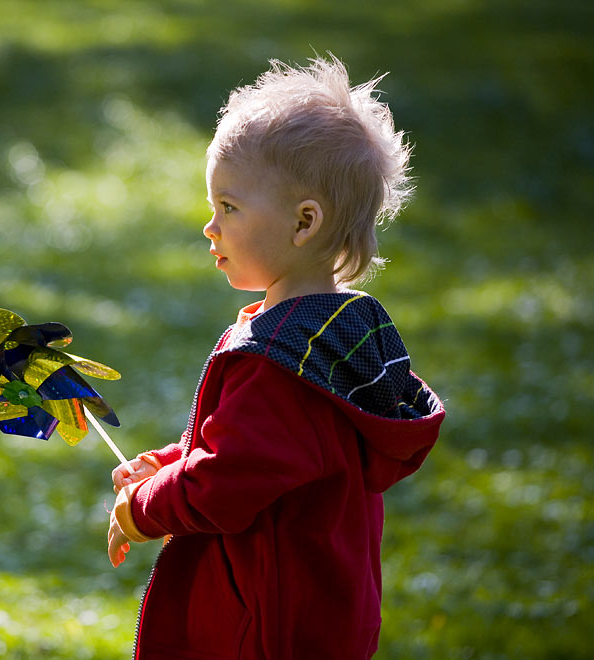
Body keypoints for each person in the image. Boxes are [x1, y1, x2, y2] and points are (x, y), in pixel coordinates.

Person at [106, 56, 446, 660]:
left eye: (229, 208)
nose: (210, 228)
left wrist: (144, 509)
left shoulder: (279, 362)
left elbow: (225, 481)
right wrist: (166, 465)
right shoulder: (340, 332)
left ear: (303, 223)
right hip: (322, 608)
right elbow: (250, 451)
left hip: (265, 625)